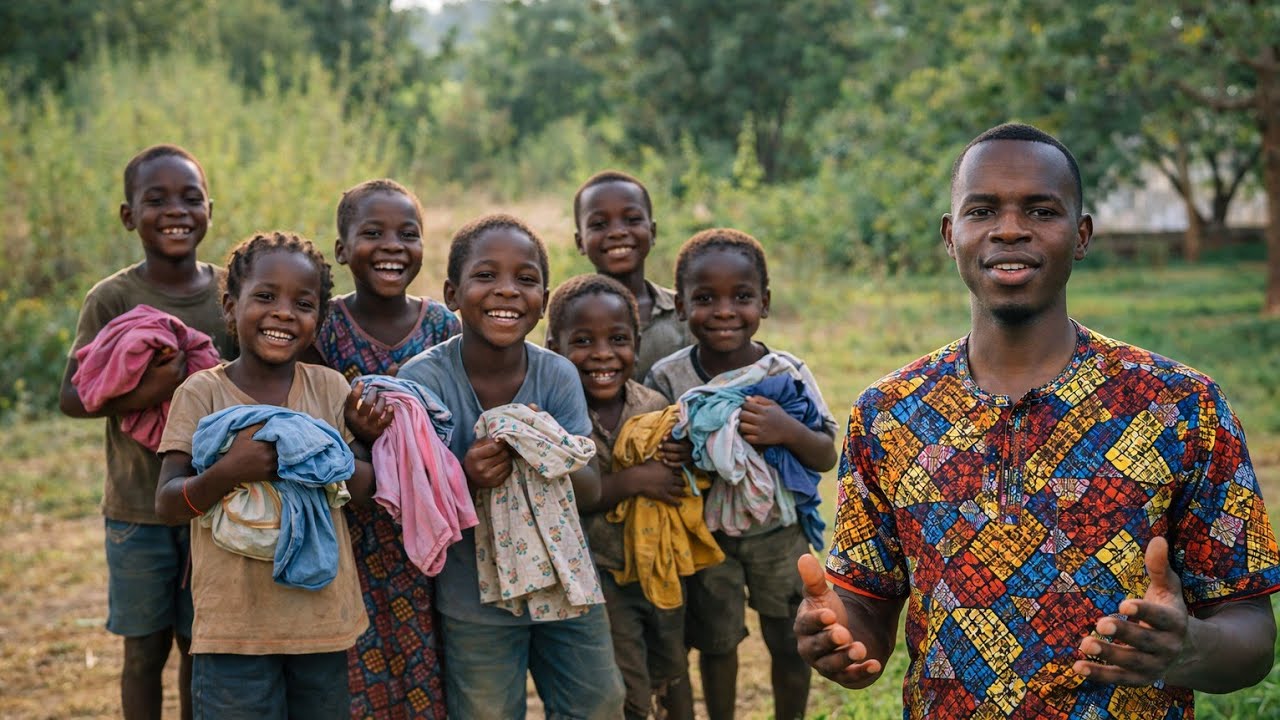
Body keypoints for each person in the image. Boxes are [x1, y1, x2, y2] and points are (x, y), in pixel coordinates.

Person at [796, 122, 1280, 718]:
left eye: (1040, 209)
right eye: (982, 210)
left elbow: (1251, 633)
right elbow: (867, 603)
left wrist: (1189, 647)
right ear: (952, 236)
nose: (1009, 228)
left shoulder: (1181, 408)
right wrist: (837, 632)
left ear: (1080, 236)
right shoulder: (888, 413)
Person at [397, 215, 625, 719]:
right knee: (487, 711)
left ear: (543, 303)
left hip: (565, 584)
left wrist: (547, 448)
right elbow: (415, 498)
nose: (507, 291)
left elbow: (587, 491)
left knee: (599, 701)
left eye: (525, 279)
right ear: (452, 293)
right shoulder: (424, 380)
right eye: (486, 276)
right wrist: (465, 473)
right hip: (474, 596)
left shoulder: (557, 375)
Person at [154, 231, 384, 719]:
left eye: (303, 303)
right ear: (231, 305)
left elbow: (365, 490)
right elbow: (169, 504)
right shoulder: (202, 394)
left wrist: (354, 446)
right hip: (234, 633)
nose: (283, 312)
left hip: (321, 624)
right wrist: (227, 472)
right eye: (265, 296)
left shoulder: (326, 388)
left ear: (318, 319)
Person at [58, 144, 236, 720]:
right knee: (143, 652)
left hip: (210, 506)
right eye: (155, 199)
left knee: (199, 647)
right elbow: (71, 397)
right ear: (128, 215)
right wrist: (155, 392)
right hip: (137, 512)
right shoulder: (112, 298)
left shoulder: (232, 292)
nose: (175, 211)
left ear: (210, 207)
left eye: (190, 197)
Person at [646, 228, 839, 720]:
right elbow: (659, 445)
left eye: (743, 297)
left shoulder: (785, 372)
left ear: (765, 303)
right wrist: (678, 451)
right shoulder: (669, 378)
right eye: (705, 298)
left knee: (788, 638)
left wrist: (785, 429)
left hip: (779, 531)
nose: (725, 311)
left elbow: (824, 455)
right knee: (716, 641)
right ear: (682, 307)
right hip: (705, 538)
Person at [306, 178, 459, 719]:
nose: (393, 245)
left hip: (428, 532)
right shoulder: (320, 328)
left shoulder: (444, 327)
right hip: (350, 530)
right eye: (373, 233)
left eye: (408, 233)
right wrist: (361, 437)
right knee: (357, 663)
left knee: (432, 660)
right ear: (343, 250)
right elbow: (305, 412)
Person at [545, 273, 697, 720]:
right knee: (626, 684)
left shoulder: (655, 407)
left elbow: (684, 477)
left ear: (637, 341)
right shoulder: (558, 416)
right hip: (598, 575)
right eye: (584, 341)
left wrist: (684, 453)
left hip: (659, 567)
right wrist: (635, 480)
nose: (603, 355)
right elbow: (574, 494)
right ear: (554, 347)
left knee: (672, 668)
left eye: (618, 339)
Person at [573, 170, 693, 380]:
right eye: (599, 224)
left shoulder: (684, 314)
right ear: (580, 242)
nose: (617, 232)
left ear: (653, 232)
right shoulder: (569, 317)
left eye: (632, 219)